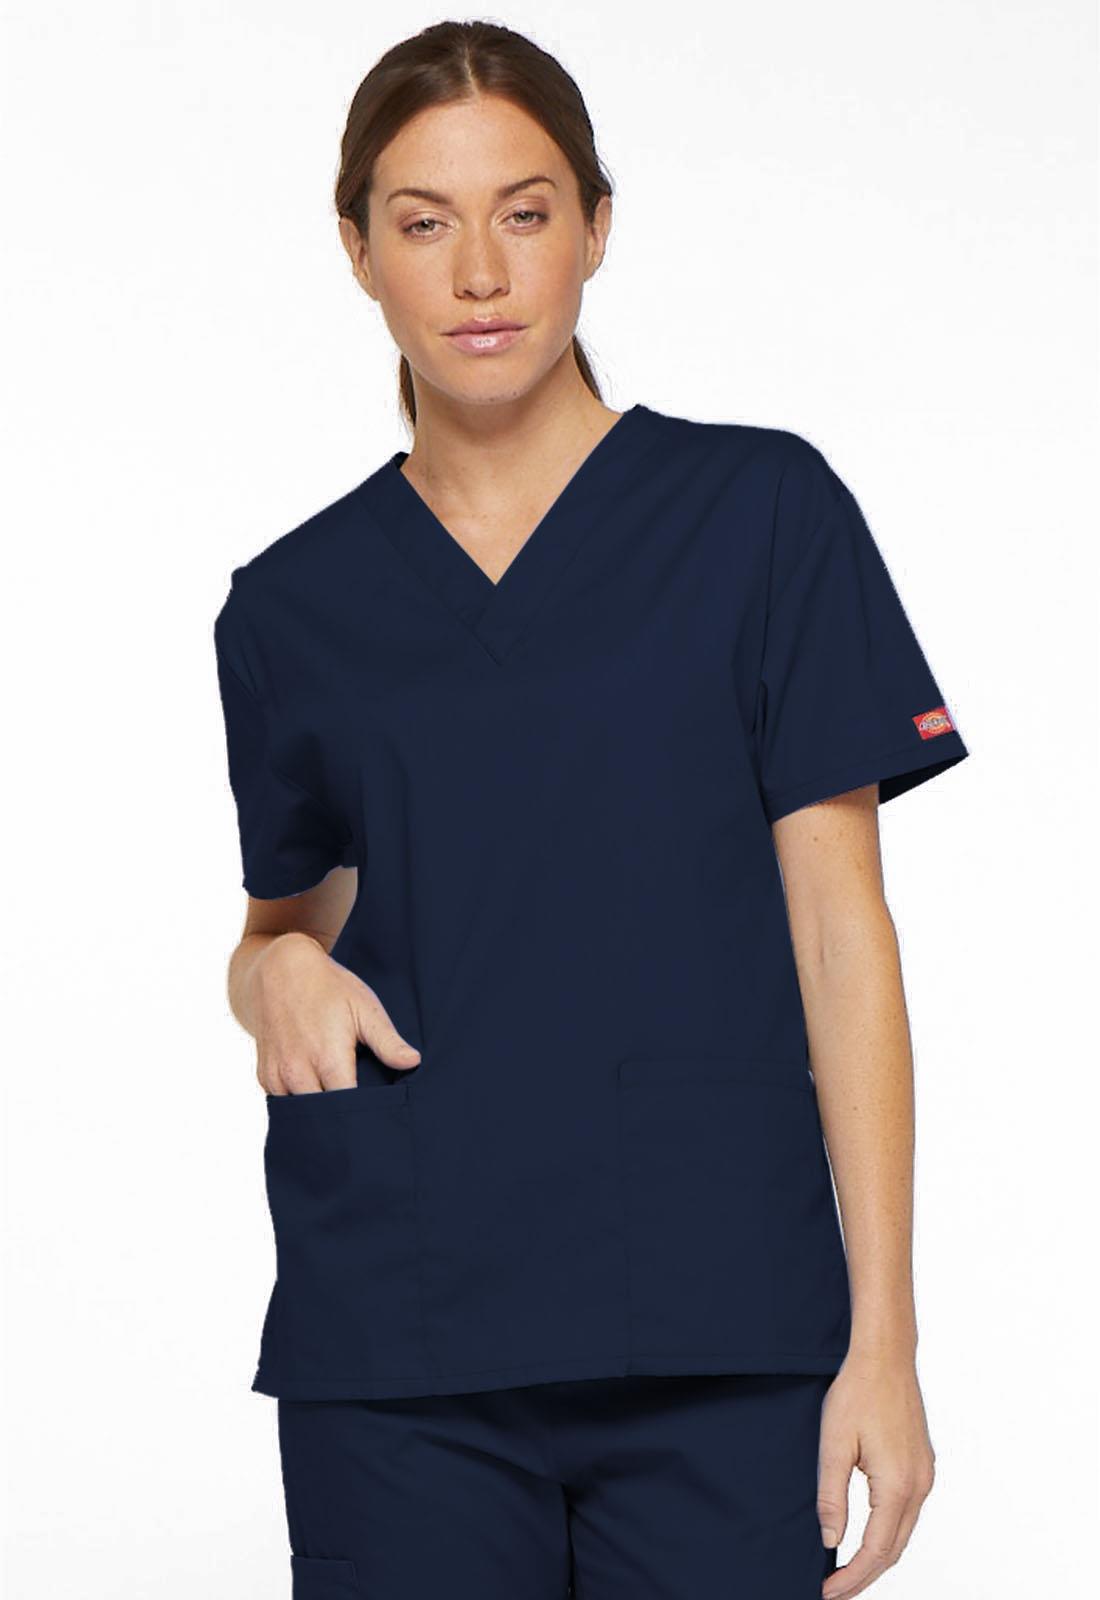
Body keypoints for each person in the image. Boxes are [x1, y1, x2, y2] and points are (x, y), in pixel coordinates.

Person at [212, 20, 970, 1600]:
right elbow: (286, 932)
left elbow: (842, 935)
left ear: (597, 228)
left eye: (526, 210)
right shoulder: (291, 608)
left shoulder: (762, 517)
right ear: (357, 252)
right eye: (424, 221)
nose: (481, 271)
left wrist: (886, 1340)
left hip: (717, 1332)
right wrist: (269, 973)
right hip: (404, 1344)